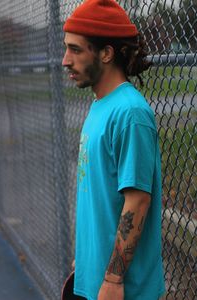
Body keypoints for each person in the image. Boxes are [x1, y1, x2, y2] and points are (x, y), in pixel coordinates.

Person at [62, 0, 165, 299]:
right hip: (93, 279)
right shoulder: (100, 106)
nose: (65, 60)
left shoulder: (130, 113)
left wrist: (113, 279)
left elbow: (138, 201)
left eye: (75, 49)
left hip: (122, 291)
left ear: (106, 53)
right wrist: (87, 260)